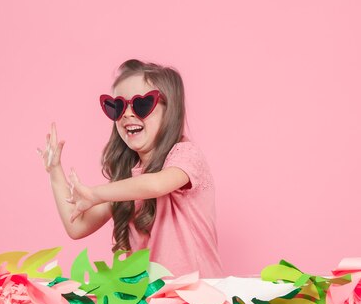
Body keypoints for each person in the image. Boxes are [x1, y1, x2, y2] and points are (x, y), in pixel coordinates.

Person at [37, 59, 224, 278]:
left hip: (196, 298)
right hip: (149, 303)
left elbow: (155, 185)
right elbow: (76, 227)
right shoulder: (128, 181)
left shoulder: (186, 155)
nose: (127, 114)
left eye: (141, 104)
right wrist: (55, 171)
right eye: (117, 106)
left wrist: (95, 194)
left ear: (169, 110)